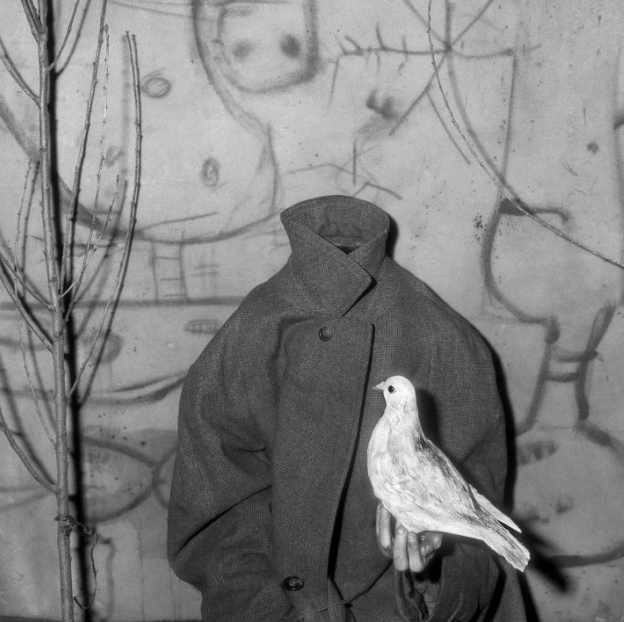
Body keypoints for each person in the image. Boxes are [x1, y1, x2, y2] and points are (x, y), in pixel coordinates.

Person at [167, 194, 525, 621]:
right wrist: (269, 609)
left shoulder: (441, 338)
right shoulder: (251, 336)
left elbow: (478, 524)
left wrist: (432, 567)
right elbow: (214, 512)